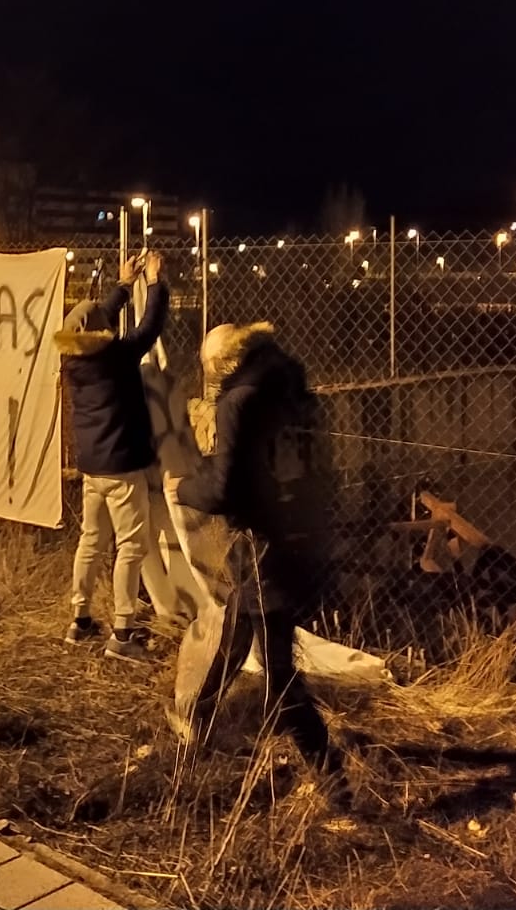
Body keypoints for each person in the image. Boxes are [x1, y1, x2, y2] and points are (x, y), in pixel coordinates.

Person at [173, 322, 347, 790]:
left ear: (222, 364)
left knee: (278, 676)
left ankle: (334, 783)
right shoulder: (291, 391)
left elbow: (227, 487)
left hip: (261, 548)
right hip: (302, 535)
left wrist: (185, 487)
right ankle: (200, 725)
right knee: (245, 639)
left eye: (208, 364)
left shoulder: (237, 402)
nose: (206, 374)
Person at [56, 251, 169, 661]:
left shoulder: (74, 360)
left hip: (93, 468)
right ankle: (123, 634)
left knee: (91, 541)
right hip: (122, 467)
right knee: (131, 546)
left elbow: (95, 317)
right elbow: (150, 327)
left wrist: (123, 286)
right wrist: (154, 282)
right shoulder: (118, 358)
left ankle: (80, 620)